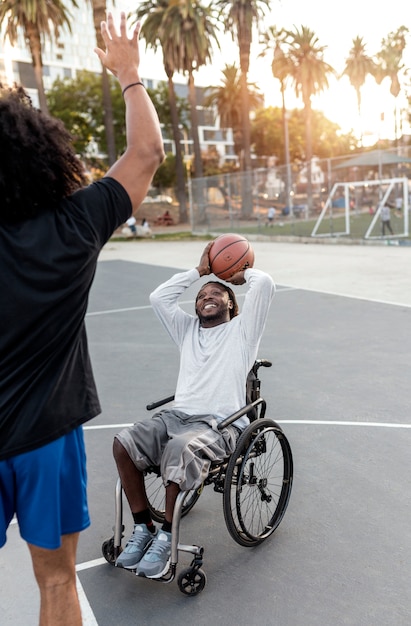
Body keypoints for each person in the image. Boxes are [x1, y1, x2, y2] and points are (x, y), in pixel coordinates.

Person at [0, 12, 164, 626]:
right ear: (45, 155)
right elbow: (146, 152)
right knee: (57, 583)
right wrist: (128, 73)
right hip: (46, 440)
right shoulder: (75, 224)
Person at [113, 243, 275, 578]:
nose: (207, 296)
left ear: (232, 303)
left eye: (217, 293)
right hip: (177, 416)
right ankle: (144, 528)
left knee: (178, 449)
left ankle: (167, 537)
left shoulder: (243, 333)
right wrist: (200, 272)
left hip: (220, 424)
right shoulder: (186, 330)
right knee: (123, 444)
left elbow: (265, 284)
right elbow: (159, 297)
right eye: (202, 295)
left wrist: (238, 272)